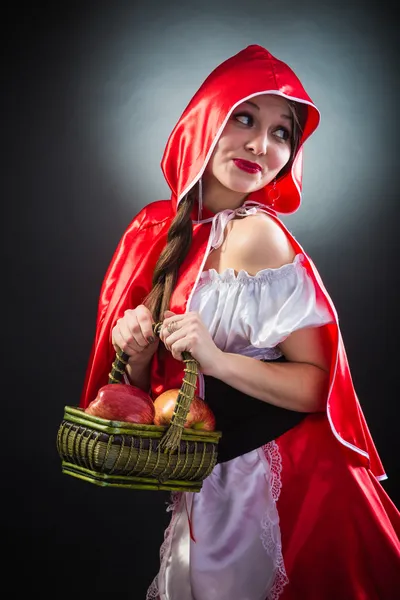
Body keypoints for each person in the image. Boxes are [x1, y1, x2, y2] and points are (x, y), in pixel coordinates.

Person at [79, 45, 400, 599]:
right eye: (245, 118)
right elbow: (154, 397)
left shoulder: (257, 237)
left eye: (282, 132)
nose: (260, 144)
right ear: (205, 118)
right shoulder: (154, 231)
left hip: (289, 486)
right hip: (209, 485)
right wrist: (131, 352)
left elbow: (317, 386)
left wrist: (217, 358)